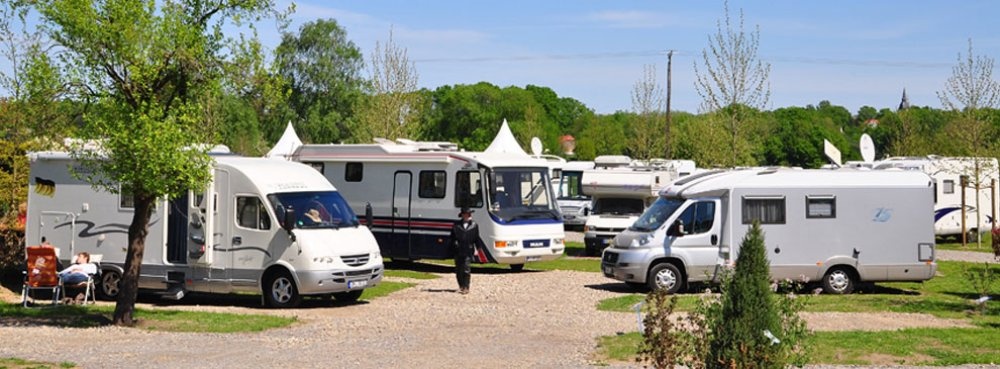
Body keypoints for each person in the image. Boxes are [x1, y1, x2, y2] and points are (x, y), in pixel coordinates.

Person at [450, 207, 479, 294]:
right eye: (466, 214)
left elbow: (476, 238)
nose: (468, 216)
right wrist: (454, 244)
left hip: (468, 249)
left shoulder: (474, 225)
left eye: (469, 214)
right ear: (462, 215)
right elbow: (452, 237)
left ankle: (466, 287)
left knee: (466, 268)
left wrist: (477, 248)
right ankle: (461, 286)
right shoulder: (456, 225)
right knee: (458, 269)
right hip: (458, 249)